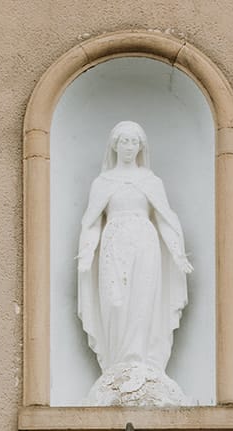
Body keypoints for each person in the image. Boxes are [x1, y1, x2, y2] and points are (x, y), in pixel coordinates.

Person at [76, 120, 192, 405]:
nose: (129, 147)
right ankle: (118, 363)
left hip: (145, 243)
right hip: (114, 244)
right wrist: (87, 252)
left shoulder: (150, 182)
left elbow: (165, 219)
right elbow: (92, 222)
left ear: (141, 147)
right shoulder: (103, 183)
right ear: (114, 145)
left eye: (134, 142)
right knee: (116, 303)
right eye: (124, 141)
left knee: (142, 302)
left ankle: (143, 362)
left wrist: (177, 253)